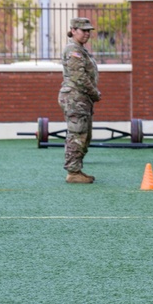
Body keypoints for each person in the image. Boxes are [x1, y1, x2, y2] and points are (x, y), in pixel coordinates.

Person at [58, 17, 101, 184]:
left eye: (89, 31)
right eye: (84, 30)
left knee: (83, 134)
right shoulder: (73, 50)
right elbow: (79, 78)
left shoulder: (79, 49)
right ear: (73, 30)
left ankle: (77, 169)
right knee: (77, 134)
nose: (87, 34)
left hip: (80, 98)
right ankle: (73, 172)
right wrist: (94, 93)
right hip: (75, 97)